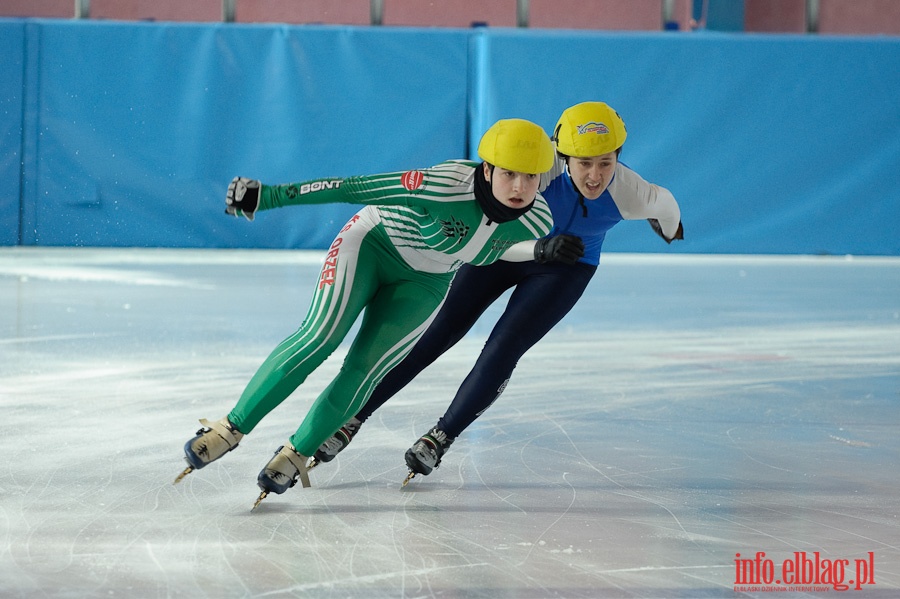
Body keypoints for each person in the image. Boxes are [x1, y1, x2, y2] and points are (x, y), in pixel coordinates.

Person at [173, 118, 584, 507]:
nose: (519, 186)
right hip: (373, 243)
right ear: (488, 168)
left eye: (531, 176)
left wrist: (538, 250)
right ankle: (230, 428)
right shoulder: (441, 186)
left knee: (366, 370)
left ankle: (297, 453)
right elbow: (355, 186)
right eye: (510, 173)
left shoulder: (537, 219)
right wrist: (271, 196)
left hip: (426, 281)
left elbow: (486, 247)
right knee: (320, 337)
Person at [309, 102, 684, 484]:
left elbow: (667, 207)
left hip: (566, 268)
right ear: (561, 155)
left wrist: (669, 228)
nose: (594, 176)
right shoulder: (537, 168)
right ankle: (353, 417)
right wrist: (536, 246)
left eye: (605, 163)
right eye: (583, 163)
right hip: (503, 248)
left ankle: (441, 437)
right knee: (437, 332)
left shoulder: (633, 193)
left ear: (618, 158)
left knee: (505, 345)